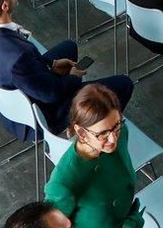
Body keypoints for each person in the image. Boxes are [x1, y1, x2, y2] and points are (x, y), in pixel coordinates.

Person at [0, 0, 134, 137]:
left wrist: (52, 64)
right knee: (123, 84)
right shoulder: (18, 57)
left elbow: (24, 67)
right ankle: (91, 129)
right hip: (40, 115)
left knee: (69, 47)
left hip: (15, 97)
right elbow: (51, 94)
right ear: (5, 5)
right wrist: (73, 77)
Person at [43, 84, 143, 228]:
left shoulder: (122, 134)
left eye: (116, 126)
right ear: (82, 133)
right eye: (102, 133)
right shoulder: (63, 183)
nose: (113, 139)